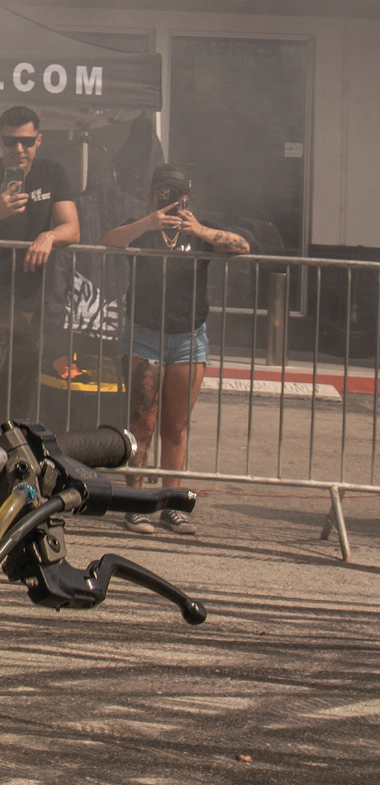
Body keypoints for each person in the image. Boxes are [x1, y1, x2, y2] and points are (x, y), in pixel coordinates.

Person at [101, 162, 248, 535]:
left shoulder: (199, 227)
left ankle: (171, 504)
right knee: (143, 422)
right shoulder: (141, 225)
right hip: (143, 333)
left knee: (176, 426)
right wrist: (147, 223)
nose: (169, 201)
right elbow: (109, 242)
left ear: (188, 196)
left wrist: (200, 230)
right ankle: (135, 504)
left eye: (177, 195)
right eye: (163, 193)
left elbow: (242, 245)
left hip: (188, 337)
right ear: (152, 194)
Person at [0, 105, 80, 441]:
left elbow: (72, 228)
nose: (19, 148)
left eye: (26, 140)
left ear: (39, 140)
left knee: (21, 397)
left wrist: (49, 236)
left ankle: (13, 465)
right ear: (0, 141)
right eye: (11, 141)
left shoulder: (53, 172)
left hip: (29, 300)